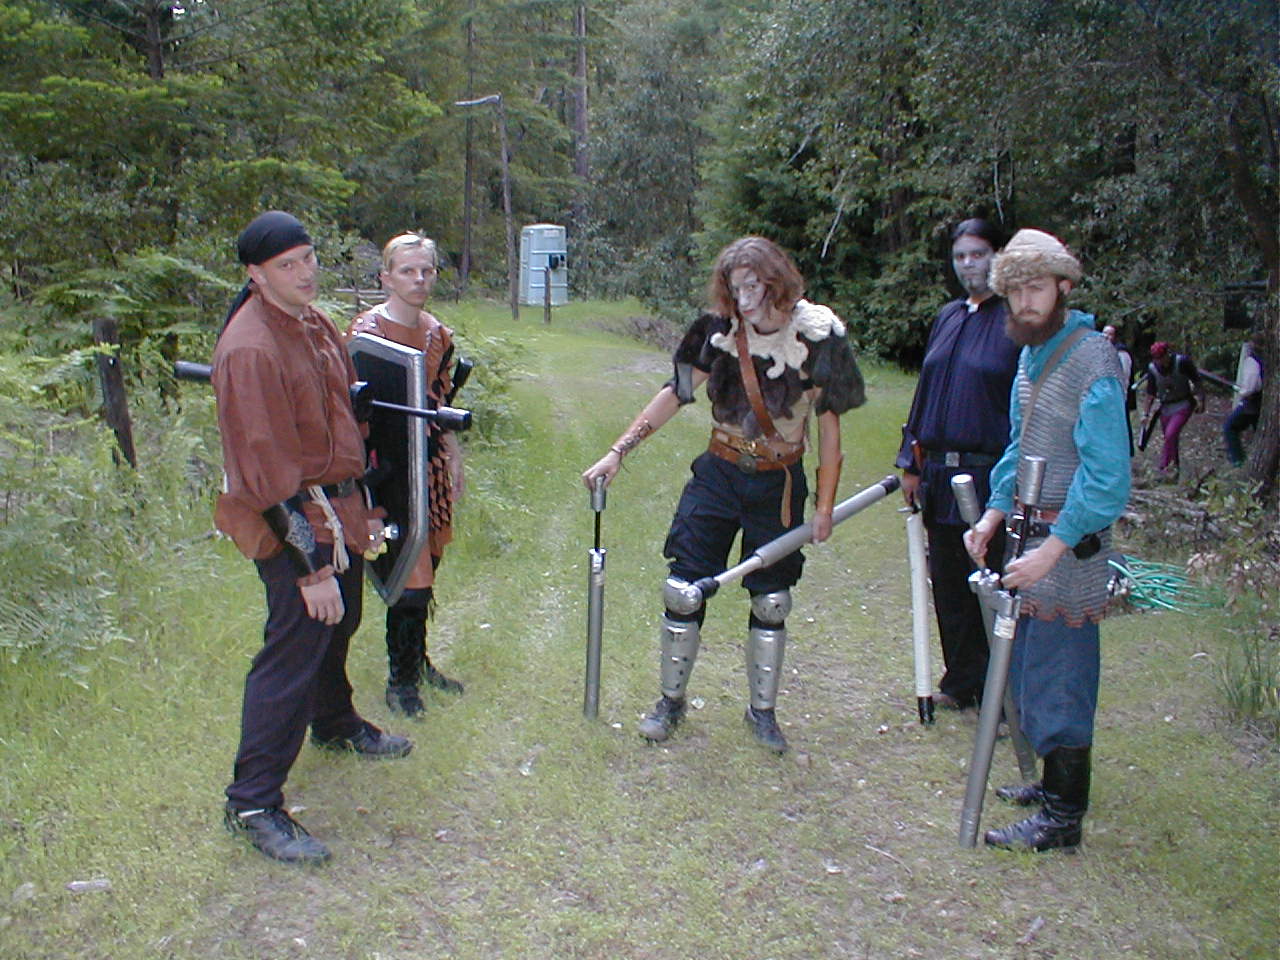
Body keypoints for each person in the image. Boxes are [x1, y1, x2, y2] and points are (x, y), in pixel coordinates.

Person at [581, 236, 865, 754]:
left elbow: (829, 429)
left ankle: (763, 712)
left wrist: (824, 506)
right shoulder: (717, 332)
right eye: (736, 289)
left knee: (772, 600)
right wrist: (618, 452)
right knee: (682, 587)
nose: (745, 299)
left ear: (776, 281)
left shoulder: (818, 336)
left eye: (754, 286)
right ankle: (670, 702)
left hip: (779, 483)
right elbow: (675, 393)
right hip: (719, 473)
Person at [214, 211, 412, 866]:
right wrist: (311, 568)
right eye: (287, 265)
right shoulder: (250, 348)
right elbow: (264, 473)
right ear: (255, 274)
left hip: (339, 504)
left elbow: (339, 418)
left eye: (307, 259)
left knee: (343, 619)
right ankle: (252, 802)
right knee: (295, 644)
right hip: (290, 518)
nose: (304, 273)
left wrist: (364, 503)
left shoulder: (314, 322)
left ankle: (332, 722)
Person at [963, 228, 1130, 852]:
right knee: (1031, 674)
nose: (1024, 303)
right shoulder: (1032, 357)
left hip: (1066, 551)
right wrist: (992, 515)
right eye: (1015, 291)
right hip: (1027, 541)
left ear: (1063, 286)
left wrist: (1053, 548)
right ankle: (1050, 787)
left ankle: (1063, 818)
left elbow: (1107, 478)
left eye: (1036, 288)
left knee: (1061, 681)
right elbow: (1020, 447)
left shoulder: (1092, 360)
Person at [895, 218, 1019, 711]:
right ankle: (962, 681)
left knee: (991, 578)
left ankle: (1002, 694)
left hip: (991, 473)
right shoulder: (948, 316)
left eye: (978, 253)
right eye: (961, 255)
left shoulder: (1015, 320)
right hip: (938, 475)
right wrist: (911, 461)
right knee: (947, 580)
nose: (969, 264)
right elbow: (925, 394)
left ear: (998, 256)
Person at [347, 233, 466, 717]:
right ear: (386, 277)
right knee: (407, 573)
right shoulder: (366, 333)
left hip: (428, 461)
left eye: (427, 271)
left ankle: (417, 660)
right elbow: (352, 410)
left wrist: (453, 454)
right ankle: (401, 683)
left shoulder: (438, 334)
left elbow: (441, 401)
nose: (419, 279)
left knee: (428, 561)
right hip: (386, 466)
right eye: (407, 271)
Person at [1141, 340, 1205, 479]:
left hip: (1183, 403)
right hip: (1166, 407)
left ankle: (1163, 467)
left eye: (1161, 357)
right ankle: (1174, 470)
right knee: (1171, 439)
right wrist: (1145, 414)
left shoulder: (1182, 362)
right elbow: (1150, 393)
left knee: (1171, 434)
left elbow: (1197, 380)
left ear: (1167, 354)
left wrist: (1201, 400)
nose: (1159, 361)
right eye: (1156, 358)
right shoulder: (1152, 369)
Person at [1223, 332, 1266, 467]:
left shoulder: (1252, 361)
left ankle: (1238, 460)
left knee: (1230, 427)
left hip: (1252, 404)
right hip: (1261, 402)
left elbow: (1250, 387)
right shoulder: (1267, 359)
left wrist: (1241, 391)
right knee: (1260, 432)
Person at [1102, 323, 1136, 454]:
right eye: (1104, 333)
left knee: (1121, 424)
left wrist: (1122, 393)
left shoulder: (1121, 353)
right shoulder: (1101, 351)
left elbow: (1125, 375)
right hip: (1106, 394)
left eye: (1110, 334)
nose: (1106, 336)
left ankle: (1125, 451)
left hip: (1118, 394)